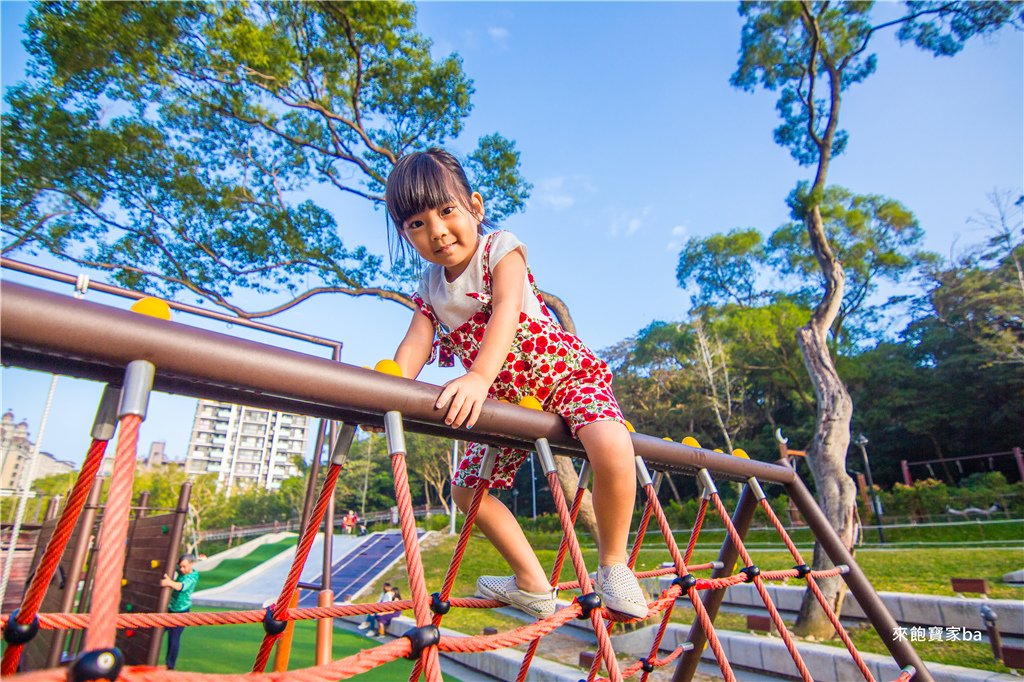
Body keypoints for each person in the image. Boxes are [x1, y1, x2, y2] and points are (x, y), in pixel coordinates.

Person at [382, 148, 647, 620]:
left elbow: (506, 308)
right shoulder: (428, 287)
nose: (437, 231)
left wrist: (478, 376)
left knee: (610, 443)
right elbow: (415, 344)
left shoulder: (499, 248)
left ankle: (613, 566)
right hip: (505, 402)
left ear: (476, 208)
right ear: (406, 235)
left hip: (561, 376)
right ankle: (531, 581)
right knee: (466, 492)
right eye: (417, 224)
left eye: (446, 211)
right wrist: (382, 393)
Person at [160, 553, 200, 670]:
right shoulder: (181, 570)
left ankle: (170, 666)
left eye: (184, 566)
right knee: (156, 632)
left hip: (181, 611)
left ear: (192, 564)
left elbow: (181, 586)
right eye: (180, 566)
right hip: (170, 608)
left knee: (173, 639)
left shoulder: (193, 576)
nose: (182, 569)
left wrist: (169, 583)